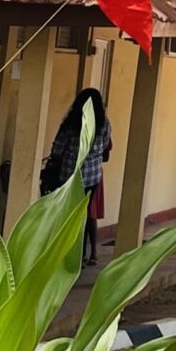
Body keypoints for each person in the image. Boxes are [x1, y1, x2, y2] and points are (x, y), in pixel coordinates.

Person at [40, 87, 112, 266]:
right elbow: (105, 147)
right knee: (86, 214)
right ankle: (85, 255)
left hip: (69, 176)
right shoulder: (104, 123)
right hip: (93, 177)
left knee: (68, 215)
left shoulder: (72, 122)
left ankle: (68, 253)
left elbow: (58, 148)